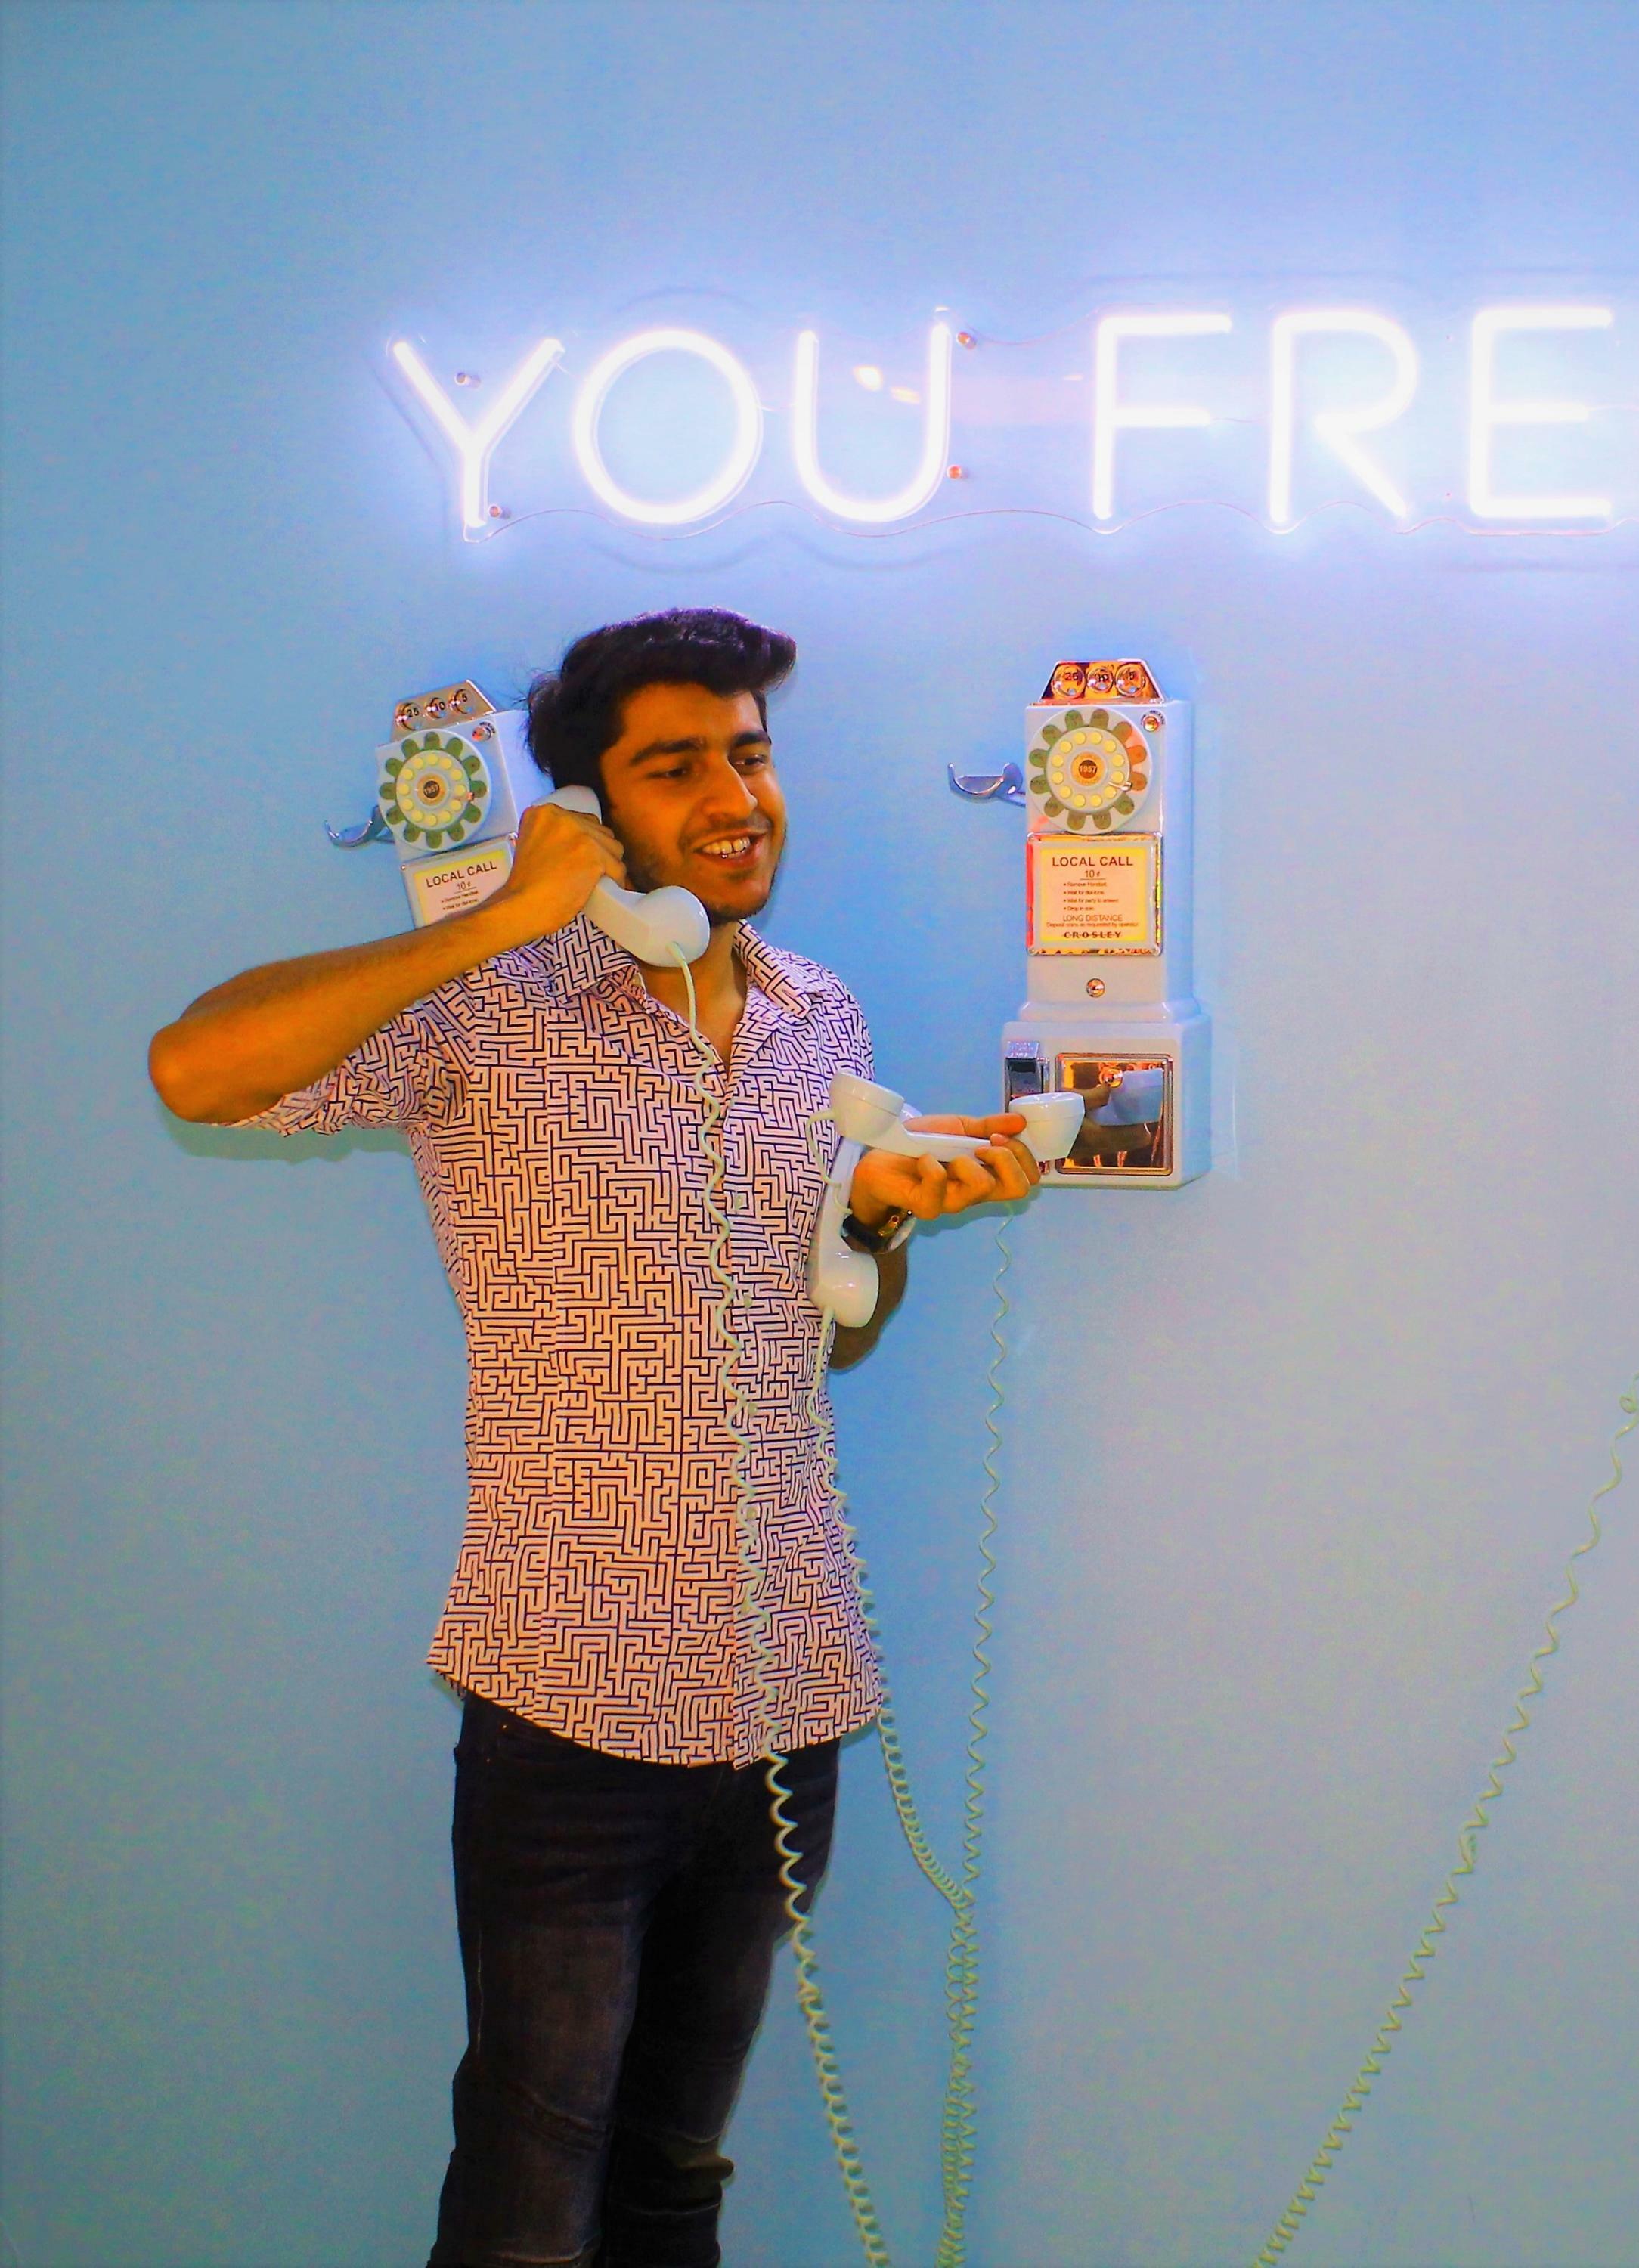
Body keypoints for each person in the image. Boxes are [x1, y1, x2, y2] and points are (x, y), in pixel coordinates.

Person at [147, 609, 1037, 2268]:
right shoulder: (491, 1004)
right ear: (587, 808)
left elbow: (825, 1335)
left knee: (672, 2176)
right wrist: (504, 913)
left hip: (783, 1689)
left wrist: (878, 1217)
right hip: (568, 1698)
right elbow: (195, 1070)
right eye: (677, 765)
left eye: (751, 756)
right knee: (531, 2190)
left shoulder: (816, 1018)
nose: (736, 798)